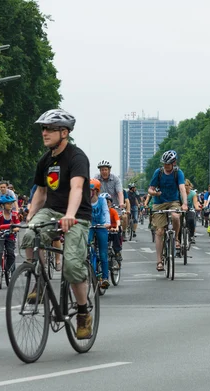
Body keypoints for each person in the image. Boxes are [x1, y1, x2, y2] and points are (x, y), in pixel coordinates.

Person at [19, 109, 93, 339]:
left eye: (49, 129)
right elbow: (41, 192)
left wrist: (70, 215)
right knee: (29, 235)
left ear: (64, 132)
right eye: (43, 128)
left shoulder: (77, 157)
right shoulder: (45, 160)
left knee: (71, 266)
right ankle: (38, 279)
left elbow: (78, 189)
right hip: (51, 211)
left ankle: (82, 313)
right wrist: (30, 216)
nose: (44, 132)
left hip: (77, 215)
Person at [148, 150, 188, 271]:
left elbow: (182, 188)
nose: (166, 166)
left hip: (173, 202)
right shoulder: (158, 172)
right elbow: (150, 189)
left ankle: (176, 238)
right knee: (159, 232)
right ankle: (159, 261)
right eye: (164, 164)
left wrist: (185, 203)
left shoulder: (178, 172)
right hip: (159, 203)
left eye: (168, 164)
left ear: (174, 163)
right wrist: (154, 193)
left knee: (176, 216)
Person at [89, 179, 111, 288]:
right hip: (90, 226)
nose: (89, 192)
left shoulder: (102, 200)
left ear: (97, 191)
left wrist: (107, 223)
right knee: (87, 247)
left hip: (102, 226)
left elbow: (106, 212)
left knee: (103, 253)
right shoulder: (85, 201)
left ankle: (105, 278)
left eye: (91, 190)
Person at [104, 193, 122, 261]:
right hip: (104, 230)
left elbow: (118, 220)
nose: (106, 204)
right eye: (104, 202)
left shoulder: (113, 211)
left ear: (110, 204)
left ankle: (117, 252)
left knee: (116, 235)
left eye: (107, 202)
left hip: (113, 229)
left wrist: (116, 227)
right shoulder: (100, 211)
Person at [184, 179, 201, 243]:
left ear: (189, 186)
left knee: (191, 219)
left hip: (190, 209)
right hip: (181, 209)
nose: (185, 187)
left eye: (187, 185)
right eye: (184, 185)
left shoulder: (193, 193)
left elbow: (195, 203)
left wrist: (197, 208)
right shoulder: (179, 192)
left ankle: (191, 235)